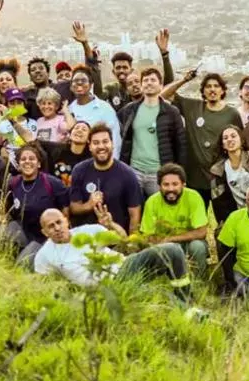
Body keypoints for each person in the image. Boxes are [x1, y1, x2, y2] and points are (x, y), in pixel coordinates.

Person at [33, 208, 195, 309]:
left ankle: (186, 300)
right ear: (44, 232)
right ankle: (190, 314)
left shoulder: (88, 230)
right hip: (107, 289)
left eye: (58, 222)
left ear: (66, 221)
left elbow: (122, 239)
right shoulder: (45, 255)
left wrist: (111, 225)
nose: (57, 228)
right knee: (157, 296)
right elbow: (44, 285)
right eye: (51, 226)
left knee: (172, 250)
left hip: (125, 266)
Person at [161, 69, 244, 203]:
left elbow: (240, 143)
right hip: (194, 178)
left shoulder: (232, 113)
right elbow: (164, 95)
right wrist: (184, 80)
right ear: (203, 91)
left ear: (222, 91)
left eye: (216, 86)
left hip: (220, 177)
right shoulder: (192, 106)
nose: (212, 89)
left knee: (223, 219)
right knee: (194, 219)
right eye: (208, 86)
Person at [118, 67, 185, 196]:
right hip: (134, 170)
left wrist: (179, 174)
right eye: (145, 80)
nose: (149, 83)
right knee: (135, 209)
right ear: (142, 85)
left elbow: (181, 145)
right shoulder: (130, 110)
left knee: (160, 211)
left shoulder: (171, 112)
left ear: (160, 86)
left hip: (159, 172)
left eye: (153, 80)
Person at [2, 144, 70, 266]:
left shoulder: (52, 183)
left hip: (43, 237)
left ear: (39, 164)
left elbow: (66, 209)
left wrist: (60, 235)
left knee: (22, 264)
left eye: (32, 159)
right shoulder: (13, 183)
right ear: (18, 164)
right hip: (22, 231)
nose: (27, 162)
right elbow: (7, 208)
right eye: (23, 159)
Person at [69, 124, 144, 232]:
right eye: (96, 143)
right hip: (86, 237)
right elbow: (74, 207)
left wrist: (130, 245)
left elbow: (135, 215)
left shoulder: (127, 174)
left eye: (105, 142)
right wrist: (88, 205)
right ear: (89, 146)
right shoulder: (79, 170)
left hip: (116, 237)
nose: (101, 146)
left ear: (112, 144)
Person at [139, 164, 209, 275]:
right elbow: (147, 236)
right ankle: (162, 279)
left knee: (198, 246)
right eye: (166, 185)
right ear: (159, 186)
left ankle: (200, 279)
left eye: (175, 184)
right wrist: (165, 243)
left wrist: (171, 239)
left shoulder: (194, 197)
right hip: (163, 245)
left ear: (183, 184)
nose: (170, 189)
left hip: (187, 243)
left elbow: (202, 232)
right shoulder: (151, 202)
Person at [209, 125, 249, 224]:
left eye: (233, 136)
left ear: (242, 140)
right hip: (239, 218)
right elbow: (218, 202)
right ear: (223, 145)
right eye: (225, 138)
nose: (230, 139)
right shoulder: (217, 170)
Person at [66, 66, 120, 157]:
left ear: (91, 85)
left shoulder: (104, 108)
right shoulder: (69, 109)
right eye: (75, 80)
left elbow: (115, 139)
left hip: (100, 161)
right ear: (71, 86)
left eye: (83, 80)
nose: (79, 82)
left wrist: (112, 164)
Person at [24, 120, 91, 186]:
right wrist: (14, 122)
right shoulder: (57, 149)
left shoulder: (91, 159)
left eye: (84, 129)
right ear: (70, 135)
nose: (79, 130)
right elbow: (31, 140)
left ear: (89, 139)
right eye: (76, 128)